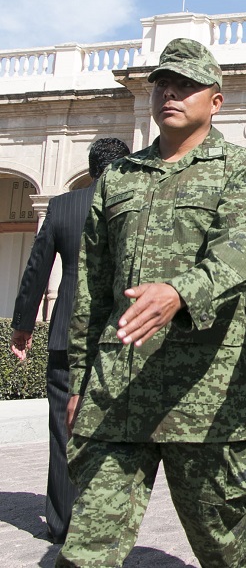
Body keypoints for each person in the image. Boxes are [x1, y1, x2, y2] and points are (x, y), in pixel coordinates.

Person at [58, 38, 246, 567]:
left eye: (186, 85)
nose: (170, 94)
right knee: (86, 551)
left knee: (228, 553)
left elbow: (242, 253)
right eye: (162, 85)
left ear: (215, 101)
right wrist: (81, 377)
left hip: (202, 398)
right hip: (116, 395)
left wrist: (182, 292)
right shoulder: (119, 178)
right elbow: (90, 287)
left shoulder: (241, 172)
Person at [10, 138, 130, 544]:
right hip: (122, 335)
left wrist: (22, 325)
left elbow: (35, 270)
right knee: (115, 430)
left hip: (64, 334)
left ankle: (63, 524)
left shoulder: (62, 206)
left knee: (64, 429)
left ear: (91, 167)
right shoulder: (133, 206)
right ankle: (106, 521)